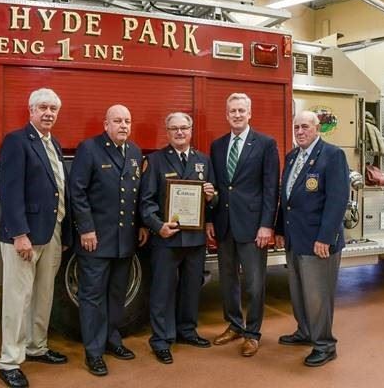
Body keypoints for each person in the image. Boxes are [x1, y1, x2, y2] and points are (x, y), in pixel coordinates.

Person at [0, 88, 72, 388]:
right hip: (25, 235)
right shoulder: (17, 141)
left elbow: (58, 190)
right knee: (18, 299)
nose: (49, 113)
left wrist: (63, 232)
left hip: (51, 231)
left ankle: (37, 346)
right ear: (31, 111)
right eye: (43, 107)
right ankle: (9, 361)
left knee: (43, 295)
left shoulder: (54, 142)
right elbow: (9, 191)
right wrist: (19, 234)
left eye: (54, 108)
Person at [70, 104, 149, 376]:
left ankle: (112, 340)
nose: (123, 125)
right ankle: (93, 352)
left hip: (125, 240)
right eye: (117, 121)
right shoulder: (89, 149)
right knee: (92, 296)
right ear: (106, 124)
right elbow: (77, 192)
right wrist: (86, 229)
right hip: (96, 240)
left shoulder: (136, 152)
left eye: (127, 120)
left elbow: (136, 195)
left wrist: (141, 226)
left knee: (117, 295)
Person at [140, 112, 217, 365]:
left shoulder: (203, 161)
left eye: (184, 128)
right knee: (162, 290)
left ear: (191, 130)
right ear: (167, 132)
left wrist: (209, 197)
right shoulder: (155, 160)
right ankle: (161, 340)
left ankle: (187, 331)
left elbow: (213, 200)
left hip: (194, 240)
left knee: (191, 288)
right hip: (166, 238)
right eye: (174, 129)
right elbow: (146, 202)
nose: (180, 133)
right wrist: (157, 226)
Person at [274, 110, 349, 367]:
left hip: (319, 241)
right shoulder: (293, 156)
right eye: (296, 127)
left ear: (317, 128)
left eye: (305, 126)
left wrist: (325, 237)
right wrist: (280, 231)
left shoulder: (333, 155)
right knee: (299, 293)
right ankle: (305, 332)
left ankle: (325, 345)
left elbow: (338, 200)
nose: (300, 132)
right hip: (296, 238)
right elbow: (287, 199)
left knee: (318, 296)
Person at [207, 93, 279, 357]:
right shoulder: (217, 146)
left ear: (250, 113)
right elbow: (213, 187)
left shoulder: (265, 144)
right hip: (224, 224)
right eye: (232, 111)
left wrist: (266, 225)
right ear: (226, 115)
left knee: (254, 283)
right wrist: (208, 220)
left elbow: (271, 189)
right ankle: (234, 324)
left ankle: (252, 333)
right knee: (227, 281)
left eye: (241, 110)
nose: (236, 115)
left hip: (253, 227)